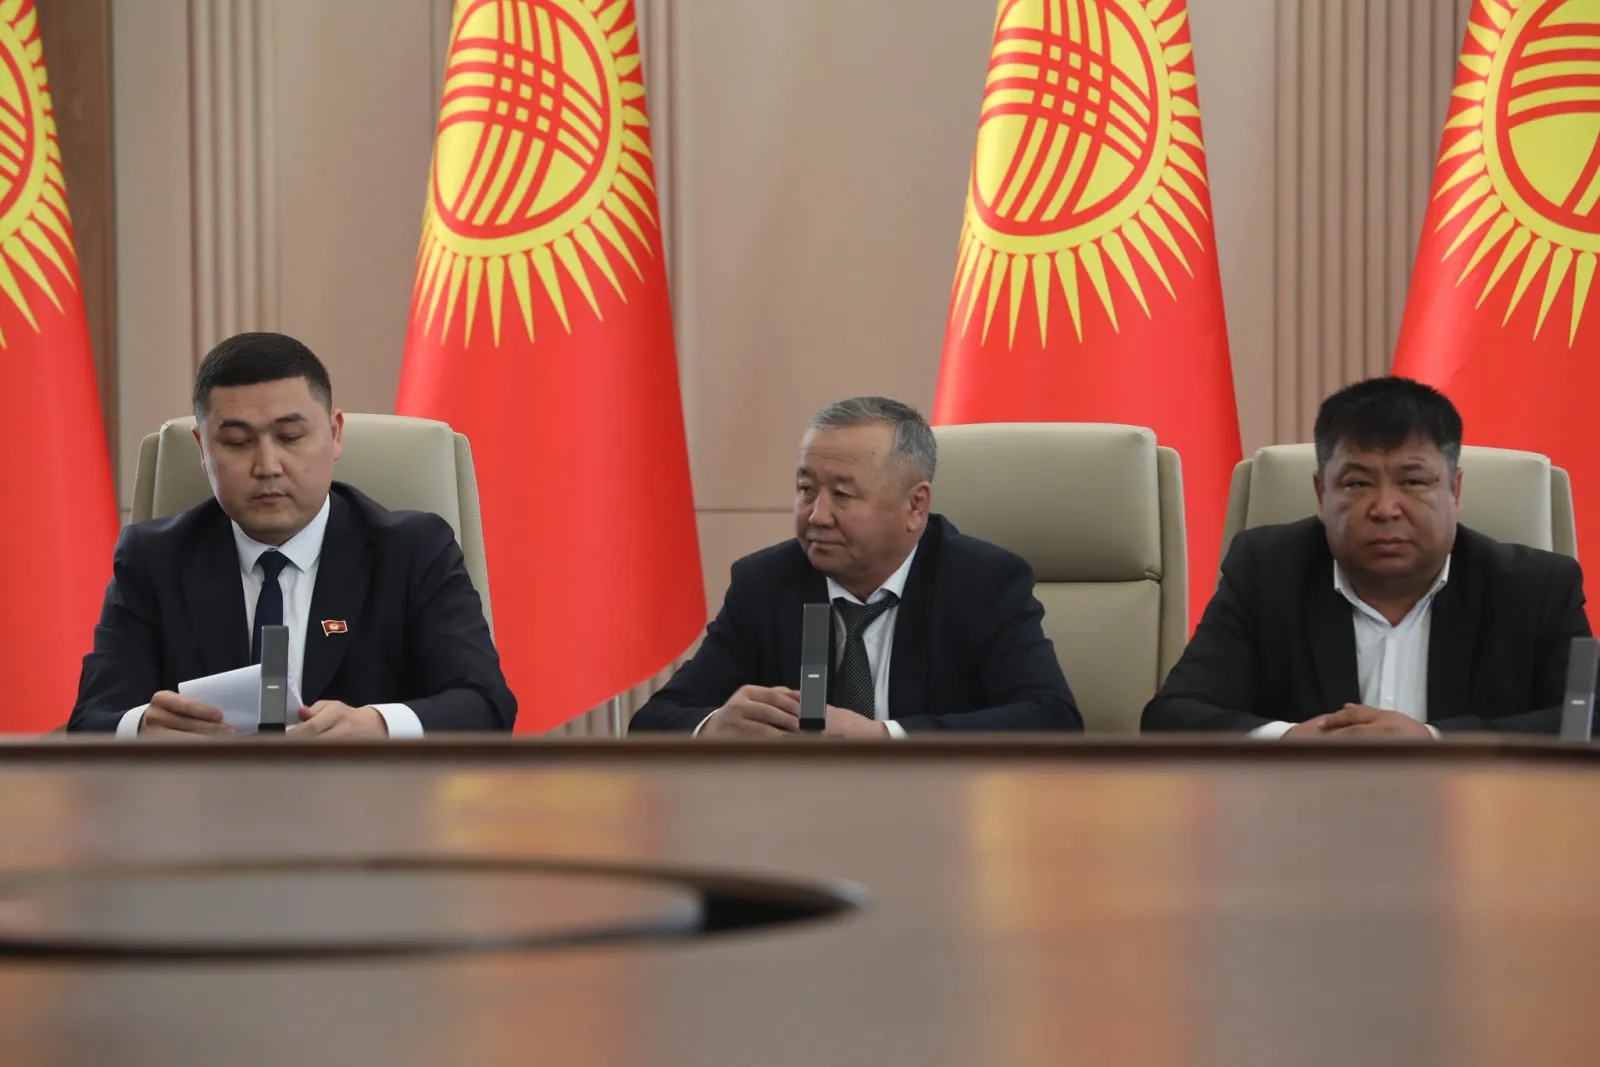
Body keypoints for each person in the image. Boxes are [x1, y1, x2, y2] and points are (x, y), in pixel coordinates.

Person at [68, 332, 516, 736]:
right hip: (204, 800)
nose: (267, 466)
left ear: (335, 434)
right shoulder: (154, 559)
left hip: (367, 799)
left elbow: (486, 705)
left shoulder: (412, 551)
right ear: (203, 449)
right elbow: (91, 720)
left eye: (290, 437)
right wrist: (143, 728)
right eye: (238, 442)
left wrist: (377, 726)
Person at [1143, 377, 1589, 737]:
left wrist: (1434, 741)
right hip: (1303, 816)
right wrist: (1288, 740)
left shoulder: (1537, 586)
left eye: (1413, 482)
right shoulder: (1266, 571)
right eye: (1357, 484)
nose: (1385, 508)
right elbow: (1172, 716)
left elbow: (1586, 722)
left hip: (1479, 816)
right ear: (1321, 494)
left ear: (1454, 491)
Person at [631, 397, 1080, 736]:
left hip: (943, 815)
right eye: (806, 490)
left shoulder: (982, 582)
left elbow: (1053, 719)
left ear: (915, 505)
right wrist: (714, 726)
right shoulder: (766, 584)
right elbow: (654, 720)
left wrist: (884, 736)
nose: (817, 515)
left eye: (843, 495)